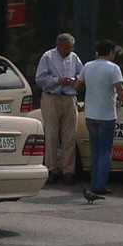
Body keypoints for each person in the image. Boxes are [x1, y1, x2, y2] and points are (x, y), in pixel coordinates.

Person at [77, 39, 123, 199]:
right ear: (111, 52)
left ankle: (94, 183)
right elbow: (120, 90)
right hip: (106, 116)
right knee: (105, 151)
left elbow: (77, 85)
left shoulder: (88, 66)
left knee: (95, 150)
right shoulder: (113, 68)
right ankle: (100, 185)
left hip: (90, 115)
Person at [35, 32, 85, 183]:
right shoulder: (48, 57)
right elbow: (40, 79)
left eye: (71, 48)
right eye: (66, 48)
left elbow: (82, 75)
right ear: (59, 46)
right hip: (52, 97)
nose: (69, 51)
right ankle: (51, 169)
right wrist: (58, 80)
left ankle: (68, 171)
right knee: (51, 135)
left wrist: (75, 81)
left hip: (69, 98)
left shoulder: (74, 58)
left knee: (69, 136)